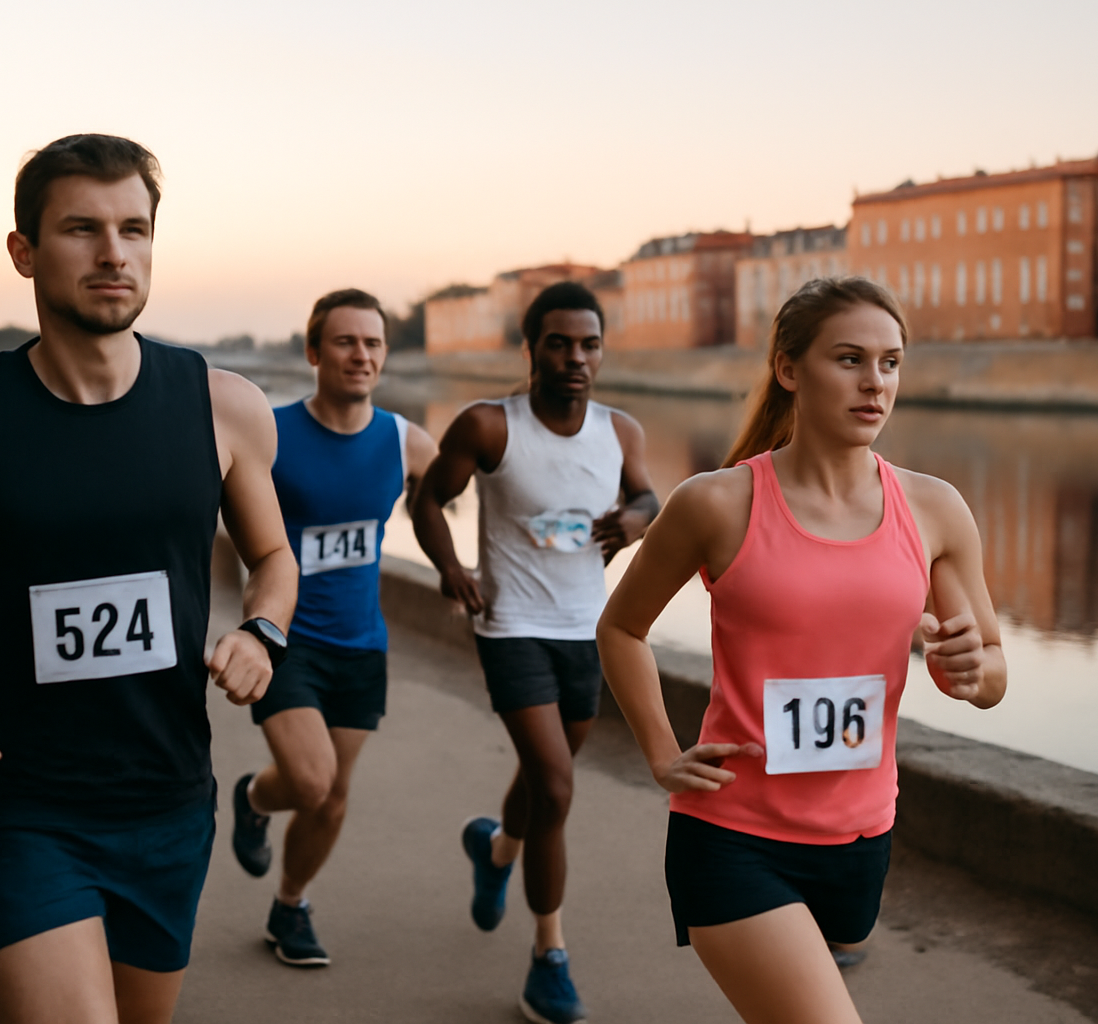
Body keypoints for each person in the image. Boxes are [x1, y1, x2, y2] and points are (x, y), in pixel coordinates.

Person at [0, 134, 298, 1024]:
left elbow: (273, 558)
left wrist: (262, 631)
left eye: (134, 229)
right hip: (19, 807)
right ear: (24, 251)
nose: (113, 252)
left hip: (169, 801)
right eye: (81, 229)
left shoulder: (224, 405)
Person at [595, 276, 1007, 1024]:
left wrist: (969, 669)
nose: (874, 383)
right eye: (849, 359)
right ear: (790, 369)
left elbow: (991, 673)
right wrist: (660, 753)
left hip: (861, 837)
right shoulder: (717, 503)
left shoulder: (935, 508)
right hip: (731, 834)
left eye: (890, 363)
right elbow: (621, 628)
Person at [413, 281, 659, 1024]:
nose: (576, 357)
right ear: (531, 350)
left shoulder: (620, 432)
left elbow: (648, 497)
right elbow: (428, 497)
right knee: (555, 786)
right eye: (559, 342)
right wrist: (451, 569)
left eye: (588, 344)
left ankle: (495, 852)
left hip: (589, 631)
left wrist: (635, 518)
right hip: (512, 626)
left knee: (543, 776)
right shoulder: (491, 426)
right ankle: (548, 957)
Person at [229, 288, 437, 967]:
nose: (362, 355)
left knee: (332, 797)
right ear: (315, 352)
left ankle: (290, 905)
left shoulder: (407, 441)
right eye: (346, 342)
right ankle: (257, 795)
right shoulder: (272, 432)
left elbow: (462, 498)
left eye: (373, 343)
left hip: (362, 643)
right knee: (313, 781)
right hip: (284, 637)